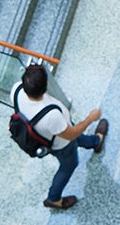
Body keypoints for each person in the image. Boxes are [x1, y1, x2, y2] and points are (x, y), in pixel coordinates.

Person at [14, 63, 109, 211]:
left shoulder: (17, 89)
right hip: (61, 144)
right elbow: (71, 134)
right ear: (46, 84)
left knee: (77, 139)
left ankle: (95, 141)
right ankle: (54, 198)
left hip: (50, 133)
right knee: (68, 166)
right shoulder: (51, 117)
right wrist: (90, 119)